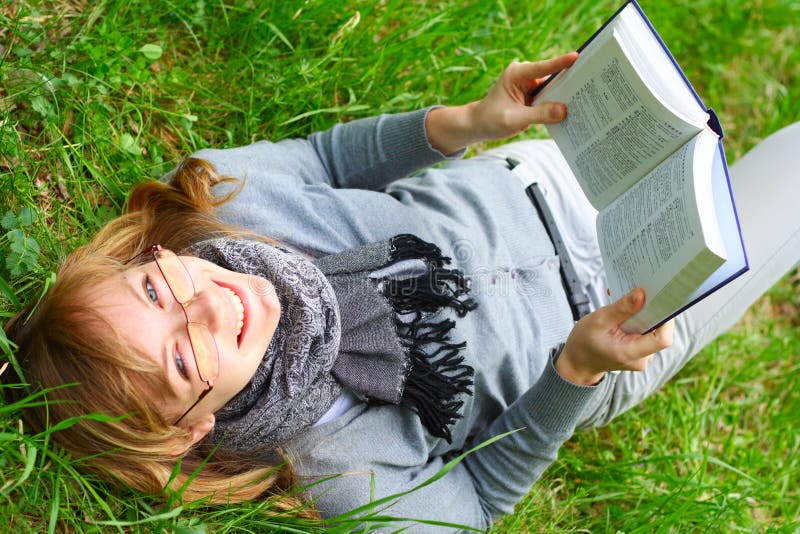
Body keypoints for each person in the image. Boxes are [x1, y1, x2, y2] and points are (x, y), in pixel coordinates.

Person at [3, 52, 799, 530]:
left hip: (555, 174)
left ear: (145, 255)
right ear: (188, 431)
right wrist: (576, 374)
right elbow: (476, 504)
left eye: (153, 290)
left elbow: (324, 162)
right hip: (631, 308)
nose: (209, 301)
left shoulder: (222, 210)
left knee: (696, 138)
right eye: (182, 356)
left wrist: (463, 124)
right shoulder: (340, 472)